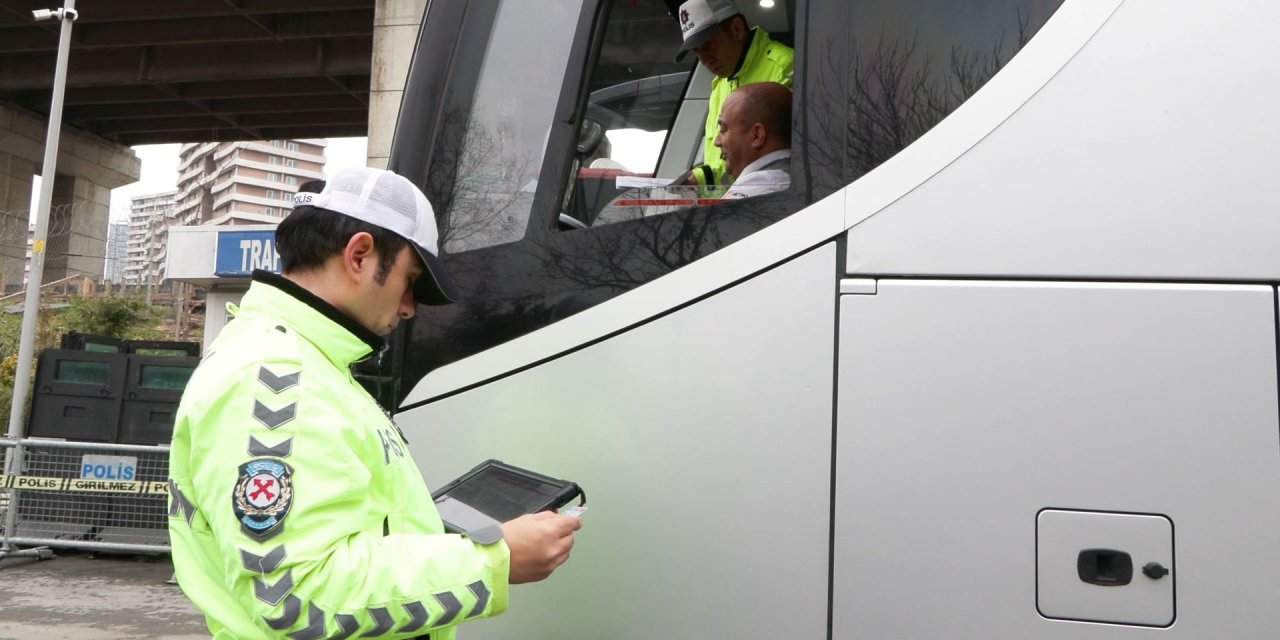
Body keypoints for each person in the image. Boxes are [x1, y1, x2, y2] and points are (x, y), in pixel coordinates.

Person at [167, 166, 582, 639]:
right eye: (410, 280)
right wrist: (494, 559)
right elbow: (297, 595)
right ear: (360, 254)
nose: (408, 306)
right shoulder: (275, 380)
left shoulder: (308, 367)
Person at [675, 0, 794, 194]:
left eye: (708, 45)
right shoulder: (719, 85)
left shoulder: (786, 67)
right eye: (697, 52)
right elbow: (724, 157)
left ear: (737, 29)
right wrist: (700, 178)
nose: (705, 60)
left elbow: (793, 155)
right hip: (731, 208)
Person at [714, 82, 792, 199]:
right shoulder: (804, 178)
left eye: (723, 129)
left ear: (756, 135)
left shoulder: (754, 192)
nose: (717, 142)